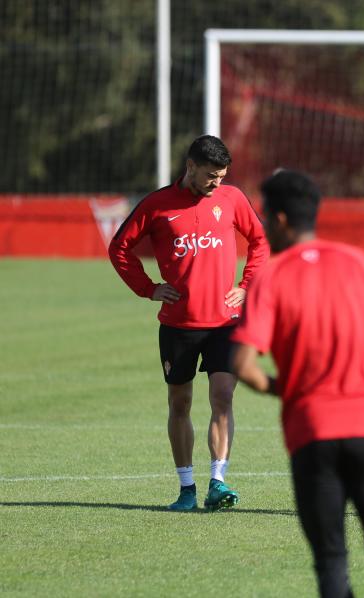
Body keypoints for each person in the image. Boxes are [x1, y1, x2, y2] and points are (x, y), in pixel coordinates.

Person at [230, 170, 364, 598]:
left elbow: (243, 365)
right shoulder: (357, 261)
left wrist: (285, 387)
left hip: (312, 433)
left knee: (331, 560)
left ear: (279, 220)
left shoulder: (269, 277)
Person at [108, 135, 268, 511]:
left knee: (223, 397)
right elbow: (119, 248)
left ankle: (218, 481)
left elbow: (260, 241)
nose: (217, 183)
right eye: (211, 175)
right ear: (191, 166)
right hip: (178, 325)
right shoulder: (157, 205)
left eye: (222, 176)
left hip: (225, 323)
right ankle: (186, 489)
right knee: (179, 402)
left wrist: (246, 286)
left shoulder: (231, 199)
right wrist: (147, 289)